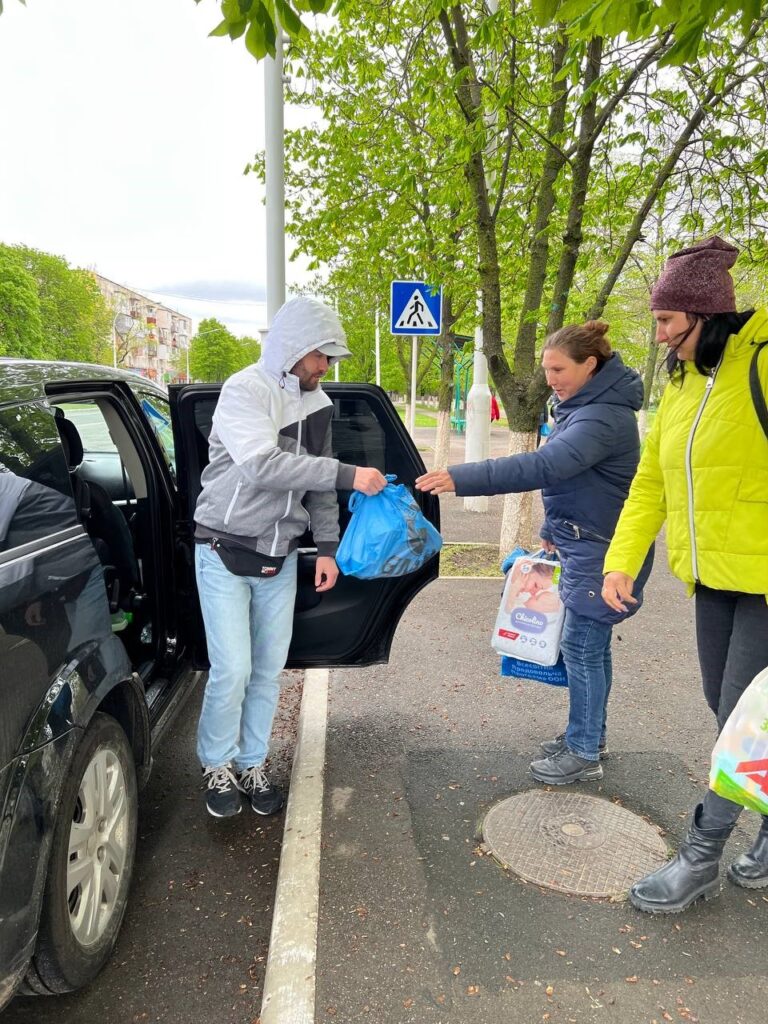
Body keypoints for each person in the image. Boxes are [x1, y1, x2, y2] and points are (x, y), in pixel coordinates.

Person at [602, 235, 768, 913]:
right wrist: (620, 560)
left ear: (706, 315)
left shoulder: (760, 364)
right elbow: (649, 485)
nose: (662, 335)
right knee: (730, 711)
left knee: (738, 725)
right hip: (711, 580)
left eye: (669, 322)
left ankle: (700, 858)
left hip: (763, 580)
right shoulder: (680, 386)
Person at [417, 320, 653, 784]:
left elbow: (545, 465)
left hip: (601, 550)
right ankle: (587, 736)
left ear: (590, 365)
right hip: (584, 540)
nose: (550, 378)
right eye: (547, 369)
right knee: (591, 648)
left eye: (558, 369)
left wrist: (461, 477)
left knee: (583, 649)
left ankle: (583, 751)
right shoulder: (582, 406)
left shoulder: (602, 417)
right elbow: (570, 478)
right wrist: (550, 527)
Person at [193, 297, 387, 819]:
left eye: (330, 358)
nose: (326, 366)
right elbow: (262, 466)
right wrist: (349, 474)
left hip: (281, 554)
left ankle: (253, 763)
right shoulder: (245, 391)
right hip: (223, 546)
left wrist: (327, 548)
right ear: (292, 348)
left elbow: (317, 487)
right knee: (232, 669)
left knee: (268, 671)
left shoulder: (318, 403)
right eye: (320, 355)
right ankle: (217, 762)